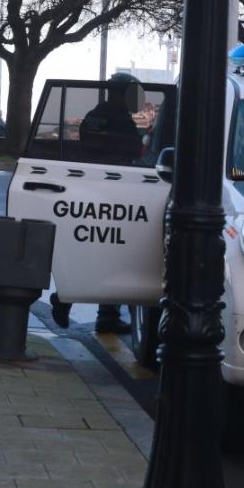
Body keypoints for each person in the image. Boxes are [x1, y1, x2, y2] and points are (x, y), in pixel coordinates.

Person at [50, 73, 145, 335]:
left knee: (95, 249)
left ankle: (95, 309)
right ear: (121, 93)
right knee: (114, 252)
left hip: (92, 188)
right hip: (115, 189)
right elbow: (135, 150)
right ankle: (94, 309)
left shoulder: (94, 115)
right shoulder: (119, 120)